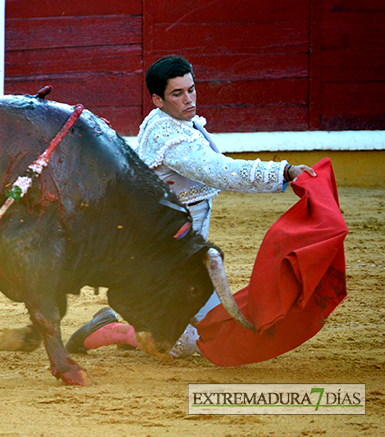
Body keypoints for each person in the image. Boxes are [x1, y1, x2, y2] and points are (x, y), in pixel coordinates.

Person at [66, 55, 316, 358]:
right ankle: (106, 331)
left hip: (183, 253)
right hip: (165, 261)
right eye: (178, 93)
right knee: (185, 345)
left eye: (192, 89)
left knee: (212, 332)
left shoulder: (174, 121)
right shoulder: (168, 135)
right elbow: (218, 171)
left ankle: (138, 328)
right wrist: (283, 172)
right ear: (158, 100)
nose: (189, 99)